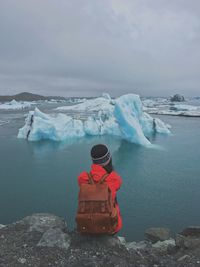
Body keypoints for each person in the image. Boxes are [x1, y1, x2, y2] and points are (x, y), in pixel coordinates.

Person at [78, 144, 122, 233]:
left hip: (86, 224)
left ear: (93, 160)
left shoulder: (82, 178)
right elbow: (117, 187)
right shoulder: (115, 178)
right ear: (109, 158)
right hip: (110, 226)